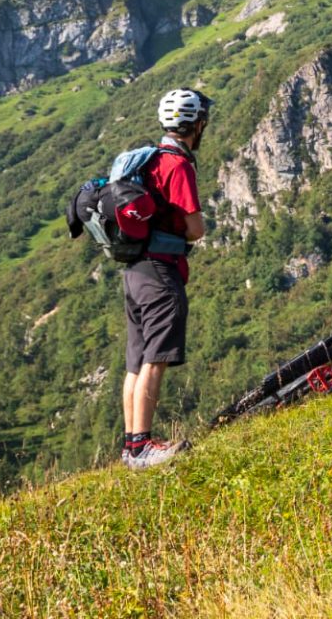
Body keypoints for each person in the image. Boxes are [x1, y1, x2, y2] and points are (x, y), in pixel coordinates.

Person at [121, 88, 212, 470]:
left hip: (134, 270)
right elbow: (195, 229)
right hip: (161, 273)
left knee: (135, 361)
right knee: (155, 360)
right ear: (196, 125)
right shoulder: (178, 165)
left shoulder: (149, 158)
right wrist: (196, 228)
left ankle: (130, 445)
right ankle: (143, 447)